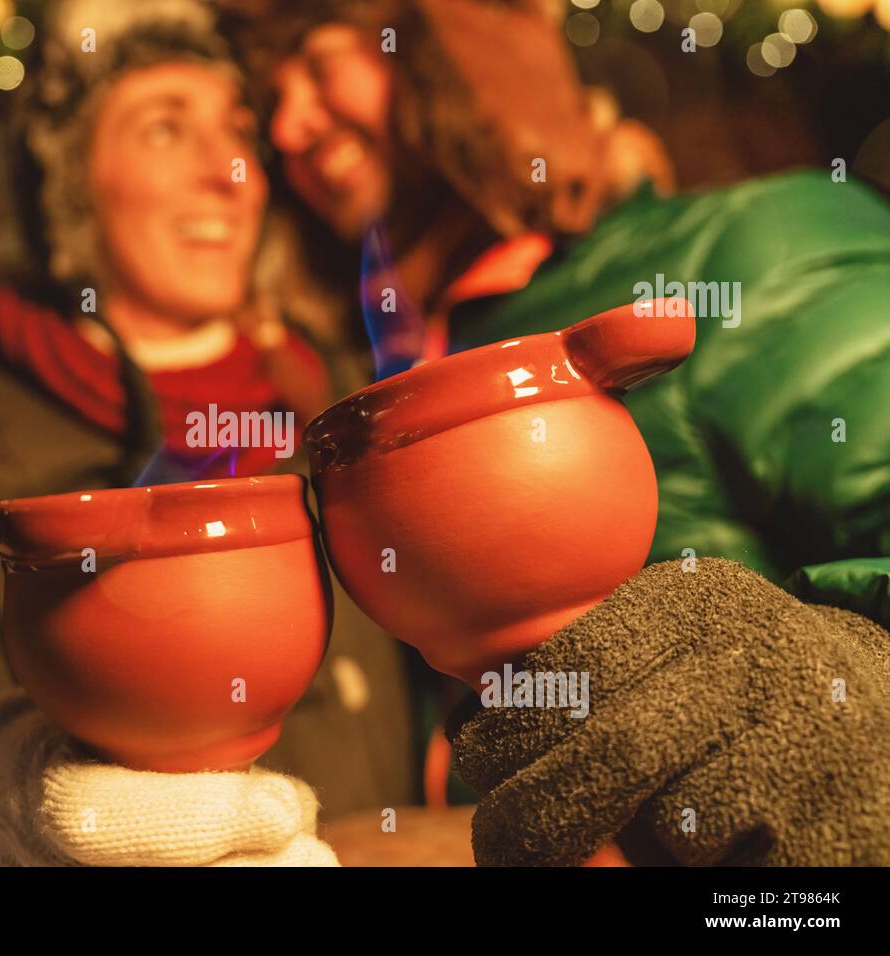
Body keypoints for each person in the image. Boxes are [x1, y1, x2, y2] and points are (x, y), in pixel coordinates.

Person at [0, 0, 423, 866]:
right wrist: (2, 809)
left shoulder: (342, 405)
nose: (228, 172)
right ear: (70, 185)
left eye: (235, 130)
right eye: (162, 129)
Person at [235, 0, 890, 864]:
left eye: (320, 65)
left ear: (461, 51)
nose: (288, 127)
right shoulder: (364, 384)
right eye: (269, 101)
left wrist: (836, 711)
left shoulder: (752, 249)